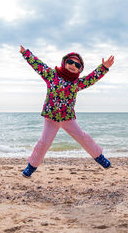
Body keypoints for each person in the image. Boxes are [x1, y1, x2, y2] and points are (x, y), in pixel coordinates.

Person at [19, 45, 115, 177]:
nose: (73, 65)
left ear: (80, 69)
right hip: (51, 118)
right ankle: (31, 166)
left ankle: (100, 157)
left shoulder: (77, 83)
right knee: (44, 142)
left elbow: (92, 78)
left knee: (83, 137)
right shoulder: (51, 75)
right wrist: (26, 53)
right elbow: (38, 65)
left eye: (77, 64)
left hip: (67, 118)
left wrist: (104, 68)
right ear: (64, 62)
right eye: (70, 62)